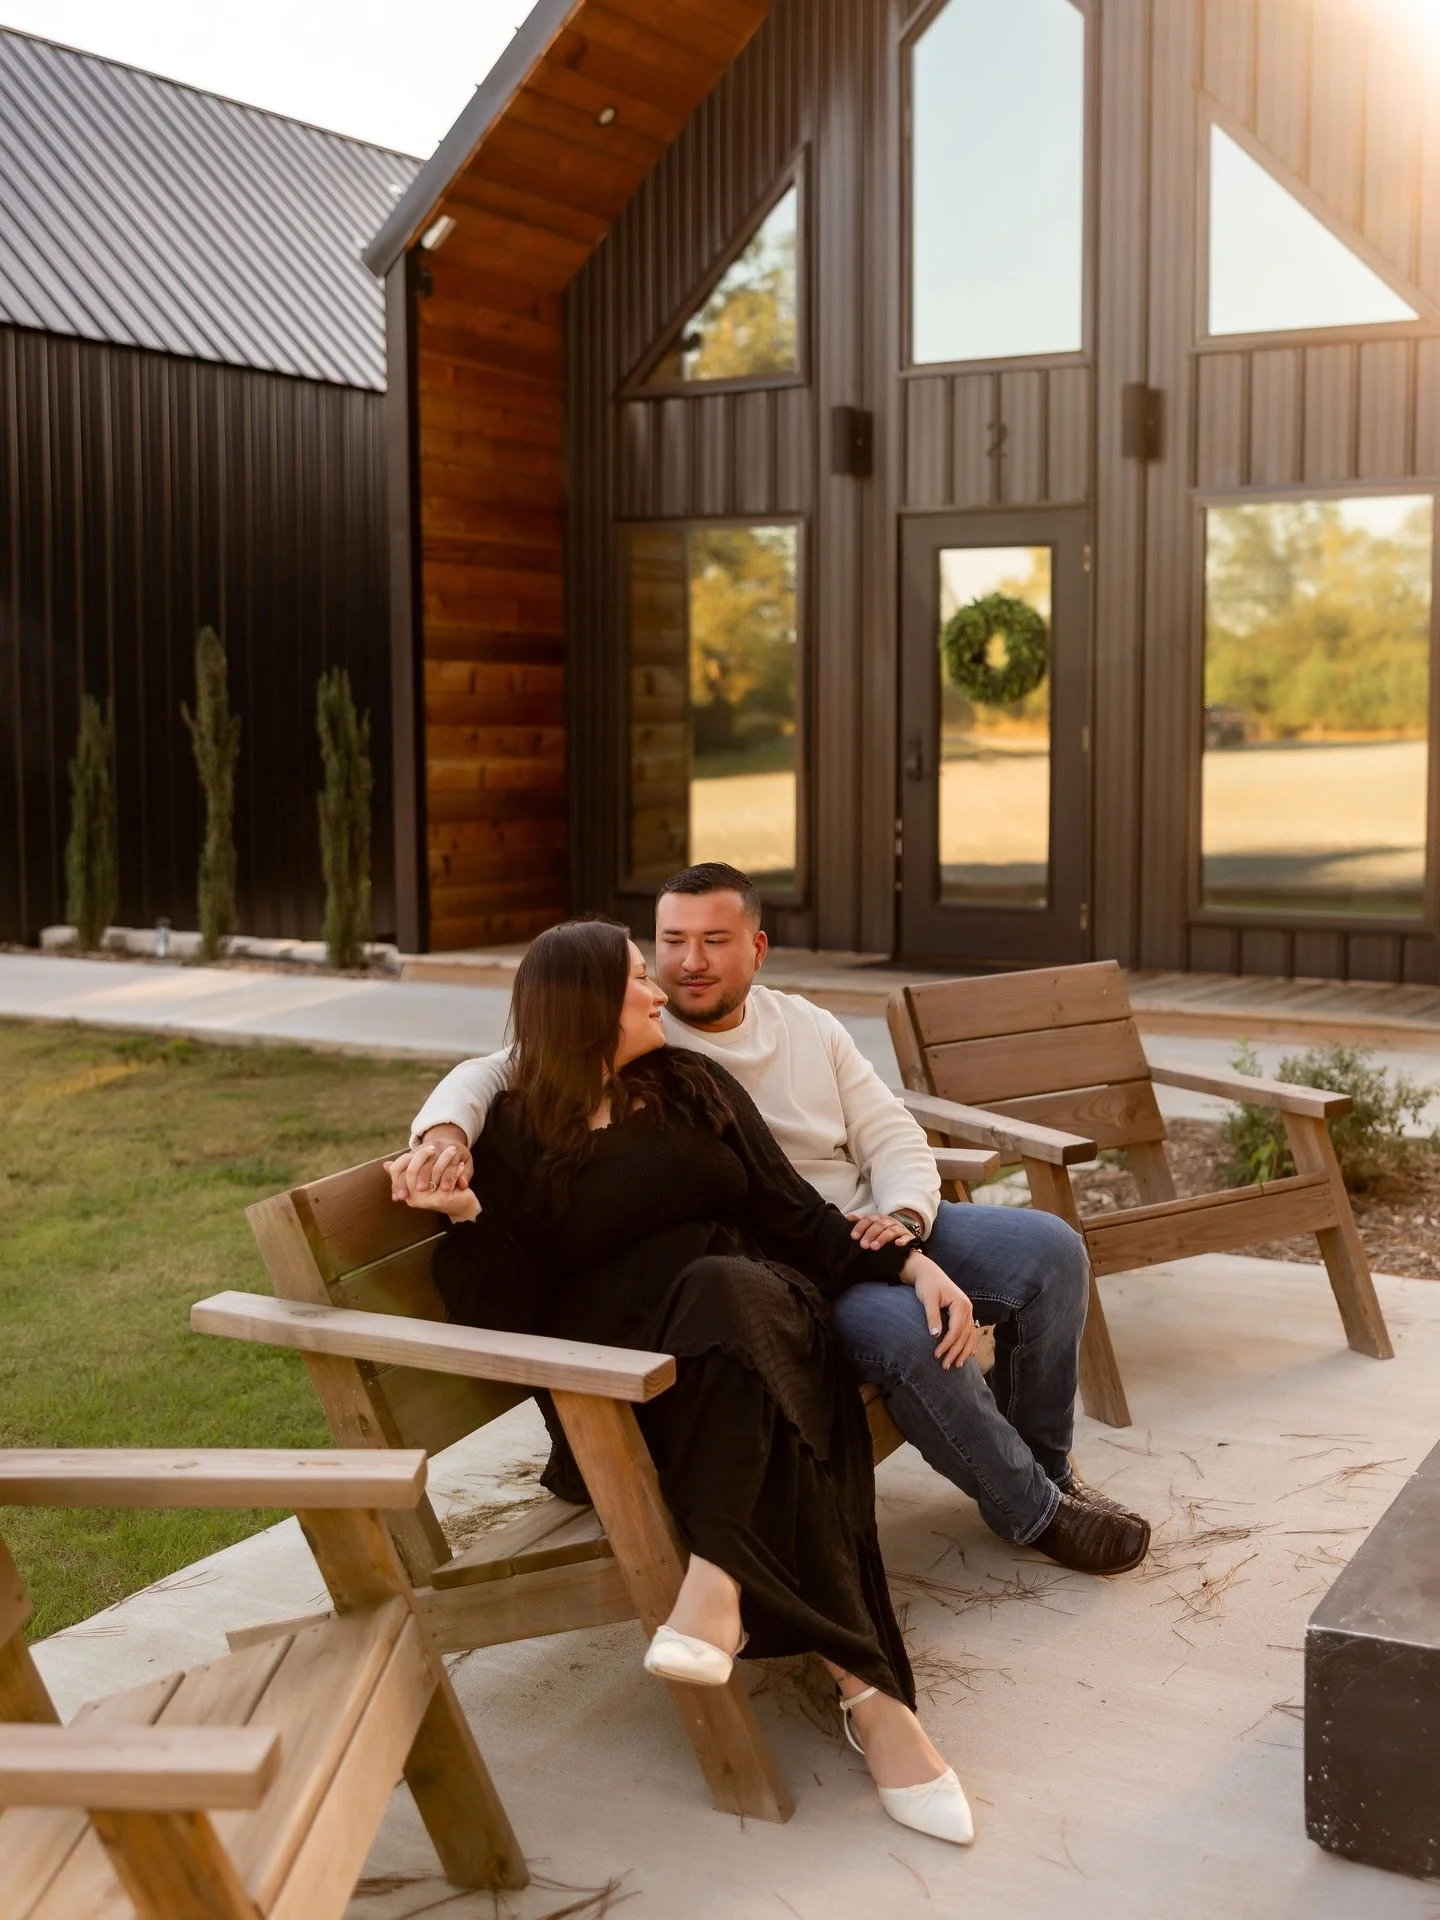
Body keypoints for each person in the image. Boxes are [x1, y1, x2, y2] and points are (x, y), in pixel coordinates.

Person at [390, 919, 974, 1846]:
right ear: (585, 1007)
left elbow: (796, 1215)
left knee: (725, 1289)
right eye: (636, 981)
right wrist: (464, 1214)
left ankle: (715, 1583)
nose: (661, 991)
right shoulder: (507, 1137)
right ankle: (870, 1697)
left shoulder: (692, 1087)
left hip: (757, 1323)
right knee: (767, 1395)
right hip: (625, 1398)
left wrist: (914, 1266)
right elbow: (505, 1310)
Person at [394, 863, 1151, 1576]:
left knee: (1050, 1251)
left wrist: (907, 1220)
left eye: (714, 942)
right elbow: (504, 1064)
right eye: (671, 944)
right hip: (787, 1254)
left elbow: (889, 1132)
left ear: (756, 949)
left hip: (866, 1224)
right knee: (907, 1335)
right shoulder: (646, 1040)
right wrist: (446, 1132)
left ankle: (1047, 1468)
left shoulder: (805, 1025)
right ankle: (1032, 1511)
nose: (687, 965)